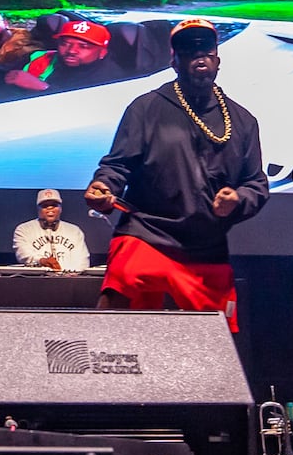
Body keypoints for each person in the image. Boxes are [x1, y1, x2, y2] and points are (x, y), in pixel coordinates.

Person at [84, 18, 268, 332]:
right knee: (117, 310)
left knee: (218, 341)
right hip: (147, 232)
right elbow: (117, 166)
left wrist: (237, 199)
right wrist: (103, 186)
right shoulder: (146, 108)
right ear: (174, 61)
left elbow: (256, 183)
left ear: (217, 61)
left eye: (206, 50)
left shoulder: (243, 120)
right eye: (187, 50)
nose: (198, 56)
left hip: (205, 244)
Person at [0, 19, 128, 93]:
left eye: (83, 47)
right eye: (65, 44)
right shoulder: (40, 57)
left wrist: (42, 88)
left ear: (102, 52)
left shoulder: (113, 78)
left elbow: (83, 116)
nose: (71, 50)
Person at [11, 188, 92, 270]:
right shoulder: (24, 229)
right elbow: (23, 254)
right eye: (45, 206)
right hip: (36, 280)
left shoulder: (74, 231)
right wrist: (41, 261)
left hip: (69, 280)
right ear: (38, 209)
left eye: (54, 205)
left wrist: (72, 276)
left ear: (61, 208)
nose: (50, 208)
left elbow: (83, 260)